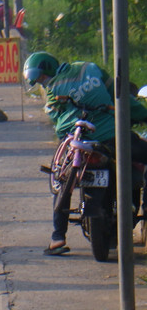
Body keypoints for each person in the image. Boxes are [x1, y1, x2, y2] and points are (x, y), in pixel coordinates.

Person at [24, 52, 147, 255]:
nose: (43, 83)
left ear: (48, 70)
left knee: (63, 180)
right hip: (112, 138)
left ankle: (57, 237)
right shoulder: (90, 68)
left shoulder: (54, 90)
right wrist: (143, 114)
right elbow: (121, 96)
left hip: (80, 144)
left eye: (41, 79)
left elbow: (57, 121)